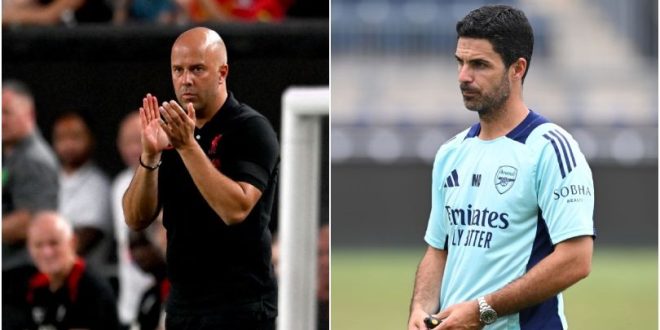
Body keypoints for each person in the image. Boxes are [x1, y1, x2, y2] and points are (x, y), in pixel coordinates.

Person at [408, 5, 594, 330]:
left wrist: (482, 311)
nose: (464, 76)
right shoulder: (451, 153)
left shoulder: (549, 148)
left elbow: (576, 260)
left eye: (479, 65)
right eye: (460, 62)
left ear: (517, 68)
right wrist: (421, 309)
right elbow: (438, 250)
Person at [123, 27, 279, 329]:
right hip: (184, 306)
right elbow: (135, 217)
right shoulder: (172, 131)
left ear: (222, 73)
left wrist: (187, 147)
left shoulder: (250, 129)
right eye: (178, 70)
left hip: (241, 308)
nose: (186, 80)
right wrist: (150, 157)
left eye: (197, 69)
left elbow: (235, 209)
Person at [24, 211, 119, 329]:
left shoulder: (91, 287)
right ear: (29, 248)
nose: (47, 253)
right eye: (38, 245)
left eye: (54, 243)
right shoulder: (32, 286)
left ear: (72, 243)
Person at [2, 80, 60, 270]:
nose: (1, 120)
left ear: (29, 115)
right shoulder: (10, 154)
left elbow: (32, 220)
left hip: (22, 270)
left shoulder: (34, 159)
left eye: (7, 113)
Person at [52, 111, 115, 280]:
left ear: (91, 139)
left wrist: (46, 256)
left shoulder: (98, 185)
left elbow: (86, 238)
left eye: (75, 137)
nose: (68, 144)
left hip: (86, 281)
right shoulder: (50, 178)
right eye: (61, 138)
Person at [112, 112, 155, 328]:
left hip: (163, 298)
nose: (133, 149)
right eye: (127, 142)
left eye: (139, 139)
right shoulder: (119, 185)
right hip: (129, 305)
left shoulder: (166, 178)